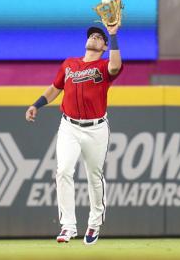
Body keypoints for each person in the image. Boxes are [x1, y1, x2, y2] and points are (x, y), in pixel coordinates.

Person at [25, 23, 123, 245]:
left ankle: (95, 223)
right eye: (92, 36)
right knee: (63, 171)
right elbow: (55, 88)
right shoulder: (70, 64)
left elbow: (116, 66)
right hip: (69, 126)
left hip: (96, 128)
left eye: (99, 37)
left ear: (105, 46)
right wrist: (36, 105)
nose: (94, 38)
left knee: (94, 177)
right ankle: (68, 226)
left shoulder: (104, 65)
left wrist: (114, 34)